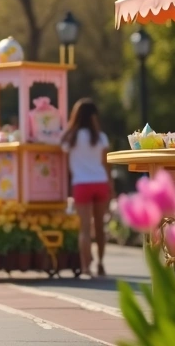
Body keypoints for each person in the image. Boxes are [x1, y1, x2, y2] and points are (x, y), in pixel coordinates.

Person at [60, 98, 111, 278]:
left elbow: (66, 167)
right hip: (100, 182)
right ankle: (101, 263)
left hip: (81, 184)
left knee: (84, 228)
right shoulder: (100, 137)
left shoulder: (70, 138)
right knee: (99, 227)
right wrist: (111, 187)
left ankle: (85, 267)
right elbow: (106, 165)